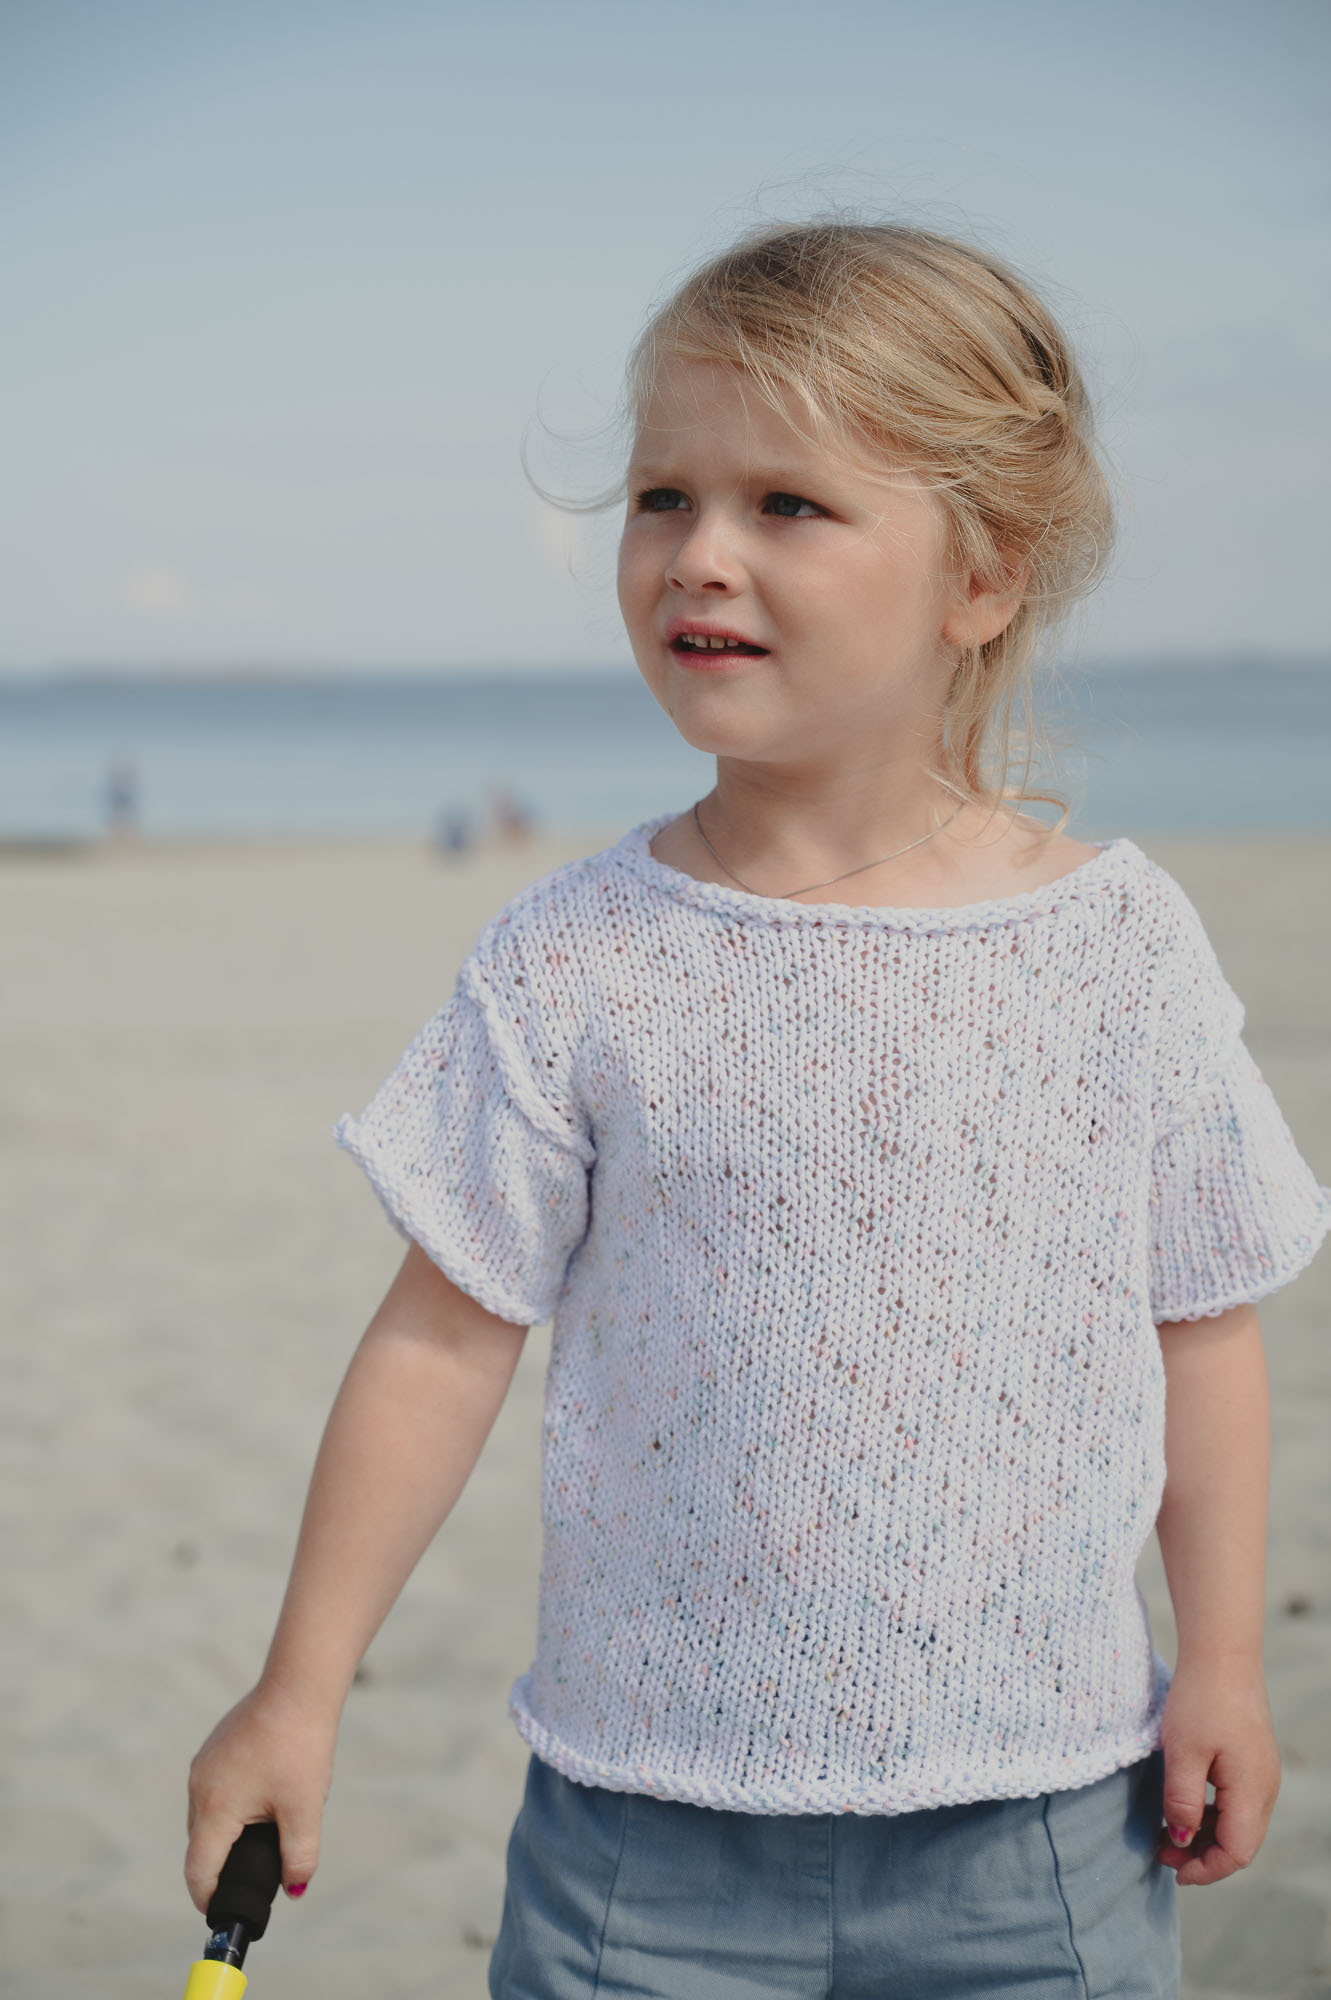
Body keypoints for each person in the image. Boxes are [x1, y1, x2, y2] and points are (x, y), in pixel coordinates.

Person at [184, 221, 1330, 1998]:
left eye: (788, 504)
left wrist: (1230, 1663)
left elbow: (1201, 1321)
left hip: (1043, 1833)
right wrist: (298, 1688)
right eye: (664, 496)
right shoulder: (577, 955)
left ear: (983, 577)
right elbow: (441, 1339)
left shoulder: (1117, 947)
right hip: (641, 1846)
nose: (699, 553)